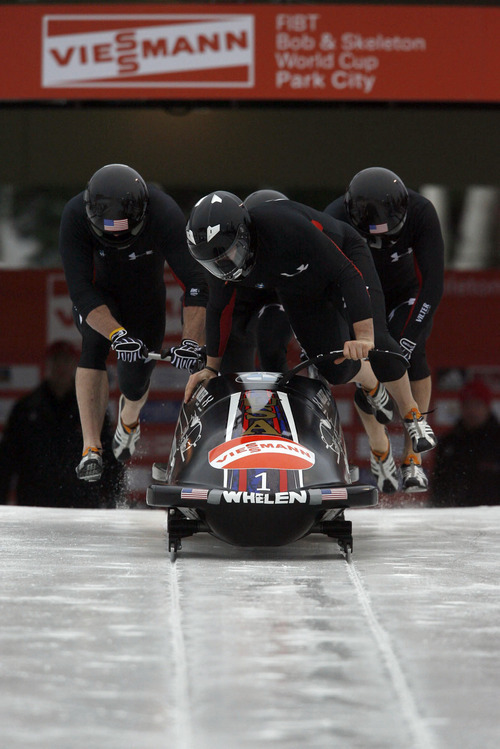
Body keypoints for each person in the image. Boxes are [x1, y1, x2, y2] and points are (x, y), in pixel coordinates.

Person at [183, 191, 436, 485]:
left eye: (229, 256)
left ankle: (412, 417)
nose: (226, 267)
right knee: (336, 368)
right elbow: (219, 309)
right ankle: (370, 382)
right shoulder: (221, 262)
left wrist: (364, 335)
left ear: (244, 234)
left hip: (343, 264)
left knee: (378, 342)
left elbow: (347, 273)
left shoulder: (286, 227)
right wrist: (210, 367)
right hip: (299, 289)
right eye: (216, 263)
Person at [59, 163, 208, 483]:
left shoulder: (165, 213)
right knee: (94, 343)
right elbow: (81, 291)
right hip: (100, 298)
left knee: (135, 381)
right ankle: (91, 449)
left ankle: (128, 422)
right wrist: (115, 333)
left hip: (145, 303)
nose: (119, 240)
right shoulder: (74, 216)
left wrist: (192, 342)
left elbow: (195, 283)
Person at [324, 167, 444, 493]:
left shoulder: (421, 211)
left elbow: (433, 283)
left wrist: (410, 337)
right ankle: (381, 451)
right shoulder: (334, 218)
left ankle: (412, 459)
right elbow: (323, 282)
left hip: (401, 294)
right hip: (359, 298)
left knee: (410, 354)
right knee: (370, 364)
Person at [0, 341, 124, 508]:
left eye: (66, 360)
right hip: (35, 503)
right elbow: (7, 458)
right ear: (47, 365)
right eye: (56, 360)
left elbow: (109, 453)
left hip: (82, 502)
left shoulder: (91, 408)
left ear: (75, 365)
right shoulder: (25, 408)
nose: (61, 366)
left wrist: (113, 500)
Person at [219, 189, 293, 374]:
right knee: (233, 370)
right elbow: (211, 302)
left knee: (271, 343)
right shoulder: (230, 254)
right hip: (244, 306)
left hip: (285, 299)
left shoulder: (304, 246)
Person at [430, 378, 500, 507]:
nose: (472, 410)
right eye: (467, 404)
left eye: (478, 404)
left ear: (487, 406)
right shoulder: (448, 443)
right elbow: (438, 487)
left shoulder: (497, 441)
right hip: (456, 519)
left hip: (494, 519)